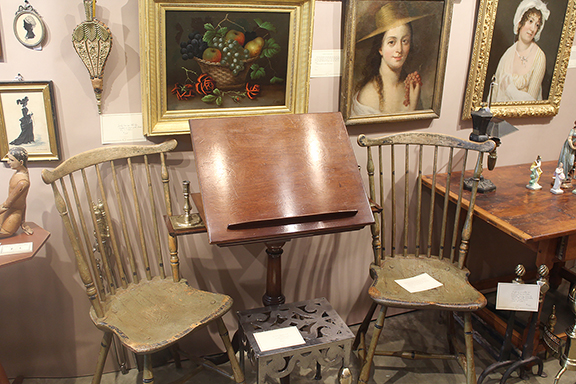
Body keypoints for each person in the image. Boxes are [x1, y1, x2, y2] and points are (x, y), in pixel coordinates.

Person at [351, 3, 427, 116]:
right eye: (392, 42)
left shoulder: (410, 86)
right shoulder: (369, 95)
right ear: (380, 48)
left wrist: (414, 103)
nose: (399, 49)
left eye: (405, 41)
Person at [491, 0, 549, 102]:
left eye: (537, 25)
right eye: (530, 21)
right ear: (520, 23)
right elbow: (494, 95)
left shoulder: (539, 57)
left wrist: (510, 90)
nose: (532, 29)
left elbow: (531, 102)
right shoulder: (507, 54)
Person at [0, 147, 33, 238]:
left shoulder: (23, 182)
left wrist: (22, 221)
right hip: (8, 210)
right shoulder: (19, 173)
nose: (8, 162)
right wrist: (23, 221)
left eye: (11, 160)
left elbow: (7, 205)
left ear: (21, 162)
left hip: (13, 213)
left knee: (5, 232)